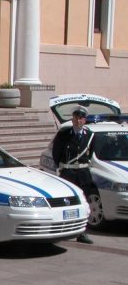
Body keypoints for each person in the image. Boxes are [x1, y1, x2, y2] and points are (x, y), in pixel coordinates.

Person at [51, 105, 96, 244]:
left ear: (85, 120)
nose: (78, 120)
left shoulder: (90, 136)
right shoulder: (64, 134)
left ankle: (82, 232)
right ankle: (62, 230)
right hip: (68, 172)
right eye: (76, 117)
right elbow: (56, 152)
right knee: (66, 203)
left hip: (83, 174)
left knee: (84, 204)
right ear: (72, 119)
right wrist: (61, 166)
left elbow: (90, 153)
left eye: (81, 118)